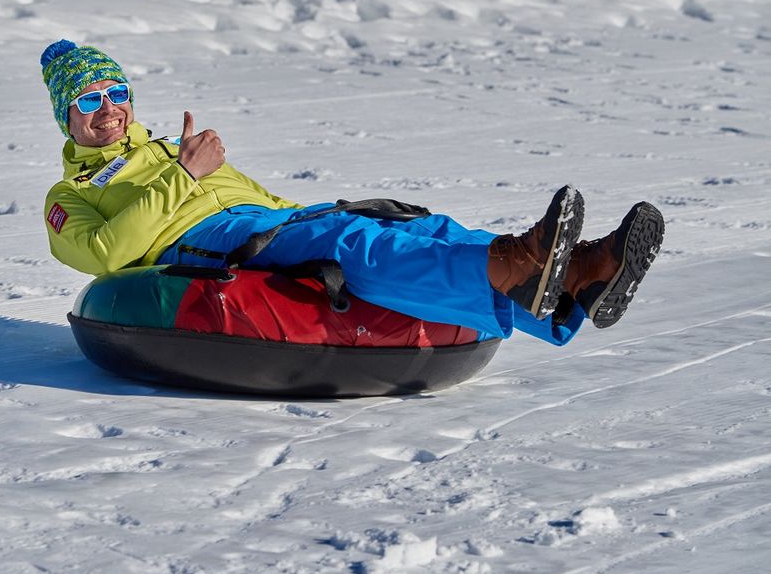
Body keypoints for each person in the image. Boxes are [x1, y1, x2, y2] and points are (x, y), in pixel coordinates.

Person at [40, 40, 665, 347]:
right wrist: (184, 176)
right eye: (89, 100)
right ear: (65, 115)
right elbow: (103, 255)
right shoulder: (68, 194)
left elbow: (252, 199)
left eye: (115, 93)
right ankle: (519, 271)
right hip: (200, 244)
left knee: (416, 225)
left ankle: (577, 277)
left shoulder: (163, 147)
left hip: (261, 218)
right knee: (350, 242)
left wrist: (288, 216)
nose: (109, 111)